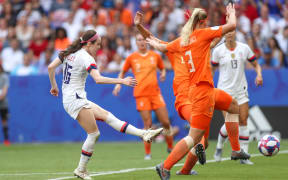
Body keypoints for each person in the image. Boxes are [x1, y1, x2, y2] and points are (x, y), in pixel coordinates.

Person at [134, 9, 248, 176]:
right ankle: (166, 166)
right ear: (200, 23)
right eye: (205, 22)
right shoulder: (201, 38)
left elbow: (155, 42)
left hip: (203, 91)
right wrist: (230, 13)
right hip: (191, 96)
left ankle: (235, 150)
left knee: (232, 105)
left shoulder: (180, 44)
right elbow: (227, 29)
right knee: (196, 137)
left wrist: (139, 27)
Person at [48, 29, 163, 180]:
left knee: (109, 117)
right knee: (94, 133)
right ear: (89, 44)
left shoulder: (69, 52)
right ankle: (81, 170)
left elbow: (51, 67)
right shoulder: (86, 57)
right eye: (97, 45)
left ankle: (144, 133)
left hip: (73, 98)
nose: (99, 48)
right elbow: (98, 79)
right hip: (75, 100)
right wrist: (122, 80)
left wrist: (54, 86)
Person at [113, 33, 174, 160]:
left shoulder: (155, 55)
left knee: (166, 122)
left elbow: (162, 68)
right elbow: (122, 72)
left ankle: (170, 146)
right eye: (138, 40)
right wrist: (118, 84)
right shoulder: (131, 58)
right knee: (148, 124)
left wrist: (162, 74)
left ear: (146, 42)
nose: (141, 42)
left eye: (143, 40)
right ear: (135, 42)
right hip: (141, 95)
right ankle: (148, 153)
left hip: (155, 93)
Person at [212, 30, 263, 165]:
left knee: (243, 120)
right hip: (224, 91)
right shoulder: (218, 51)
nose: (229, 34)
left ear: (235, 33)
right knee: (231, 124)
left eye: (232, 31)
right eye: (227, 32)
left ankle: (244, 156)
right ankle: (219, 147)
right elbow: (212, 70)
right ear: (224, 34)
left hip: (241, 90)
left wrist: (259, 75)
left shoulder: (244, 48)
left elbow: (256, 64)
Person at [0, 62, 10, 146]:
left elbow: (4, 91)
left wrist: (1, 96)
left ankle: (6, 140)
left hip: (3, 104)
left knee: (4, 121)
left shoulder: (4, 77)